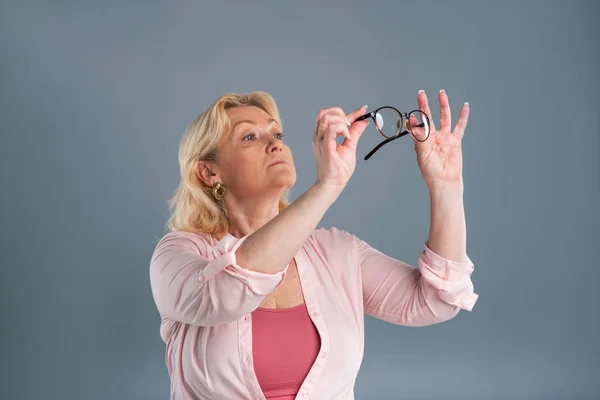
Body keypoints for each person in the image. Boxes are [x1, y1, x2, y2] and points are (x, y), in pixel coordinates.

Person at [149, 90, 479, 400]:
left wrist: (446, 186)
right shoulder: (179, 255)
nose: (274, 145)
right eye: (250, 136)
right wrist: (327, 187)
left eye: (276, 134)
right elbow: (229, 290)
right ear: (209, 173)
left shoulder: (337, 251)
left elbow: (435, 299)